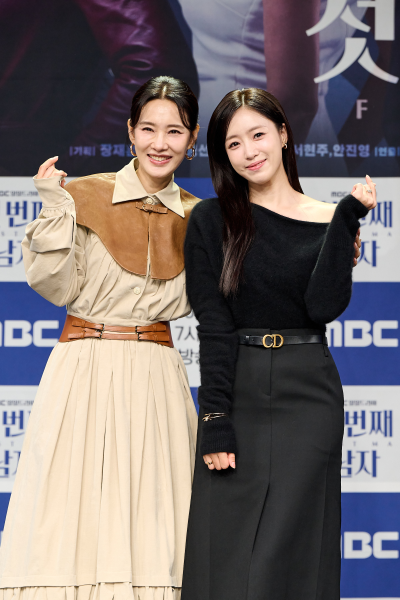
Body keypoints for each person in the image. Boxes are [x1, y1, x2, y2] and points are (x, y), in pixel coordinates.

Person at [0, 76, 200, 600]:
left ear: (192, 138)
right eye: (149, 129)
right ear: (130, 131)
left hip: (157, 376)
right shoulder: (82, 196)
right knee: (70, 511)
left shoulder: (201, 217)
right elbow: (55, 286)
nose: (160, 143)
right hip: (84, 368)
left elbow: (234, 295)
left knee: (154, 515)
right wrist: (54, 208)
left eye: (174, 131)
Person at [181, 88, 376, 600]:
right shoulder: (210, 220)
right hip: (239, 386)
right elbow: (214, 326)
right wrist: (214, 417)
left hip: (308, 388)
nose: (249, 151)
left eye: (258, 134)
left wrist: (346, 220)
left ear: (284, 134)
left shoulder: (329, 218)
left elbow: (323, 307)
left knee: (298, 549)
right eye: (233, 143)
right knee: (223, 549)